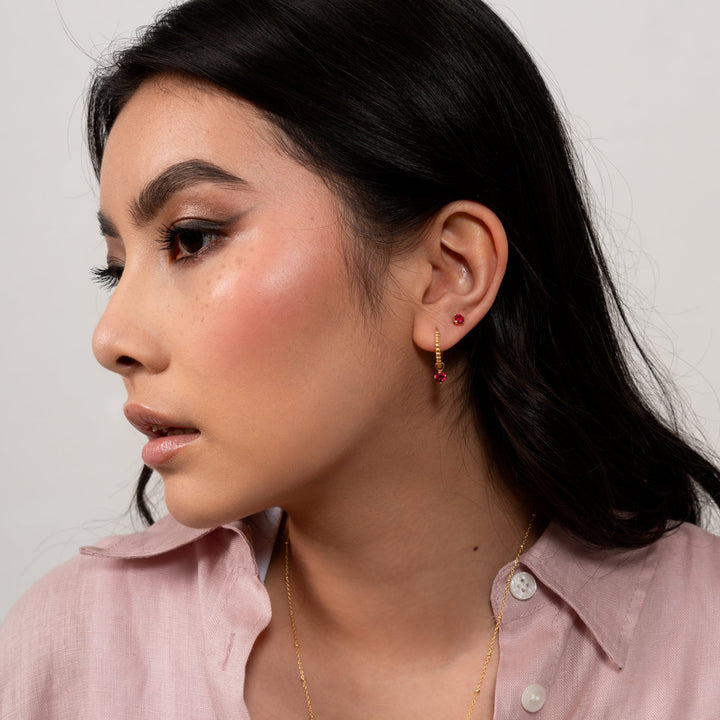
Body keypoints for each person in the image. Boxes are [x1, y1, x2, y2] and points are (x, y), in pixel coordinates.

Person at [2, 0, 720, 717]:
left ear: (447, 275)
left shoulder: (702, 646)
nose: (111, 339)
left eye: (192, 238)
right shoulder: (71, 659)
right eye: (115, 268)